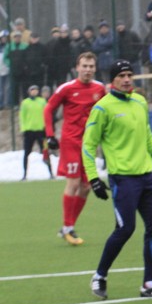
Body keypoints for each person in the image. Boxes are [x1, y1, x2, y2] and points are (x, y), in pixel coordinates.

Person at [83, 59, 152, 300]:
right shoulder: (102, 108)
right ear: (112, 80)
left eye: (129, 75)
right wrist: (94, 178)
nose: (126, 79)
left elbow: (147, 136)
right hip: (123, 180)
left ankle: (149, 283)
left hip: (146, 178)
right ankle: (99, 276)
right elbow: (88, 145)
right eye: (121, 75)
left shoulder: (140, 102)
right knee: (125, 229)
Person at [44, 51, 105, 245]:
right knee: (74, 182)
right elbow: (48, 108)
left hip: (89, 143)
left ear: (95, 68)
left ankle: (67, 227)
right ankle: (68, 227)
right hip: (71, 141)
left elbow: (105, 112)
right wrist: (50, 134)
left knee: (87, 187)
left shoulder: (100, 89)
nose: (87, 70)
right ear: (77, 68)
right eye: (84, 66)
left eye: (91, 67)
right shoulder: (66, 88)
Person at [20, 84, 48, 180]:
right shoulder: (25, 103)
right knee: (26, 153)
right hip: (29, 131)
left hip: (41, 131)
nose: (34, 92)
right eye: (32, 90)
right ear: (29, 92)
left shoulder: (42, 101)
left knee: (45, 151)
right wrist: (23, 129)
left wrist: (46, 127)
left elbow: (46, 114)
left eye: (36, 90)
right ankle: (24, 174)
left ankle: (51, 172)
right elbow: (22, 117)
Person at [5, 30, 28, 102]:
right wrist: (10, 64)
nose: (17, 38)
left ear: (21, 37)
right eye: (16, 37)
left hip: (23, 70)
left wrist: (25, 65)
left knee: (24, 87)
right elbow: (5, 58)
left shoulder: (25, 46)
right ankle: (15, 104)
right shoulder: (9, 46)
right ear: (13, 38)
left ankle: (25, 101)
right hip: (13, 70)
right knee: (15, 88)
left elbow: (28, 57)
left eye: (19, 37)